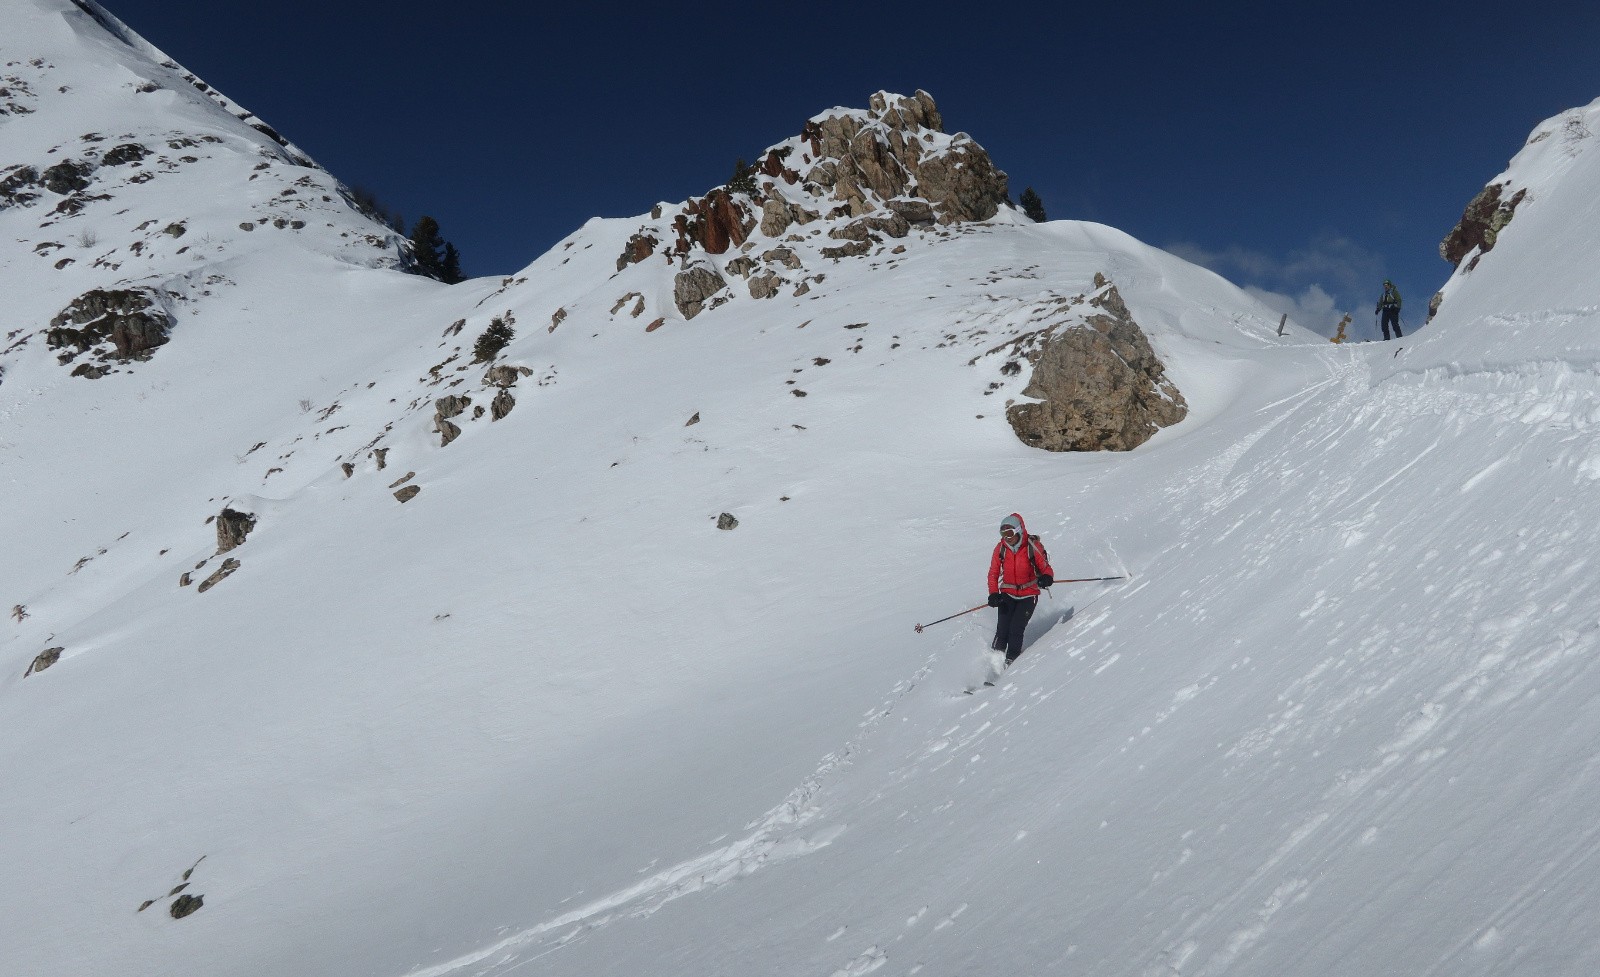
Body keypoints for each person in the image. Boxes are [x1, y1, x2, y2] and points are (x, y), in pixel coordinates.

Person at [987, 513, 1055, 666]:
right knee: (1002, 629)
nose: (1007, 537)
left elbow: (1046, 568)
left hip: (1028, 594)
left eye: (1009, 533)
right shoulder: (1000, 549)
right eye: (1003, 533)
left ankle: (1011, 662)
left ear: (1018, 530)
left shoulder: (1033, 546)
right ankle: (993, 664)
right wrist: (993, 593)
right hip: (1007, 593)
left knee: (1016, 628)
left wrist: (1047, 578)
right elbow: (993, 573)